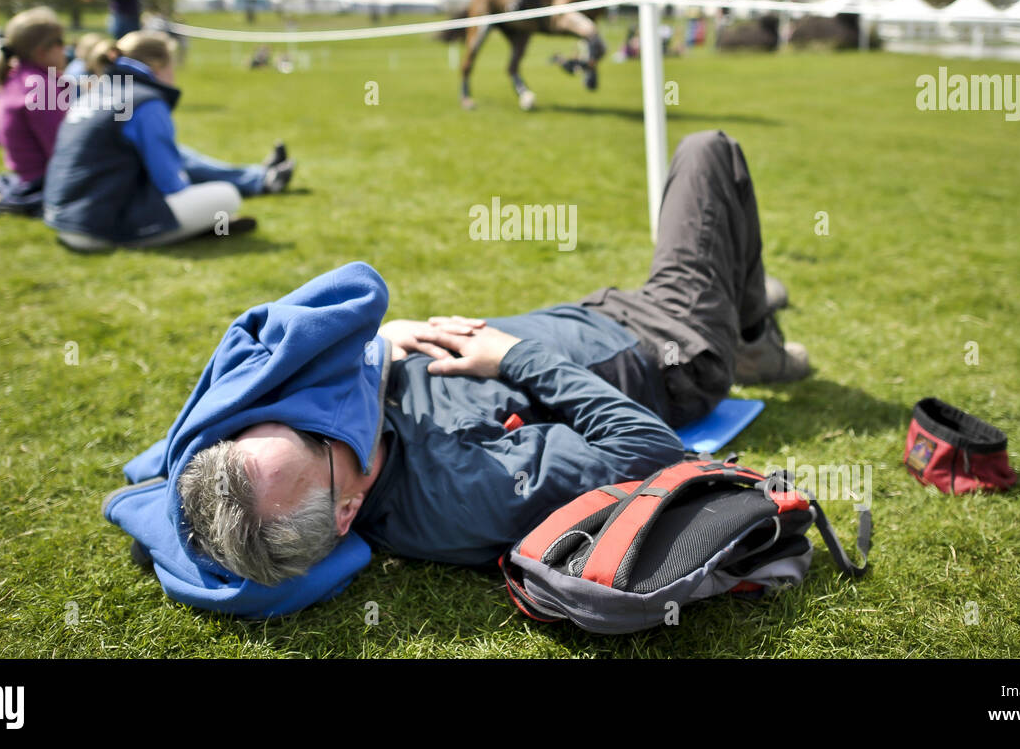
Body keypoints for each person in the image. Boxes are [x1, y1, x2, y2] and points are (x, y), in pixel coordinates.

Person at [167, 130, 809, 593]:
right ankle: (745, 332)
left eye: (294, 419)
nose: (321, 412)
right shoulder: (466, 492)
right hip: (668, 345)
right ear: (345, 515)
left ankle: (745, 311)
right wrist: (516, 356)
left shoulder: (341, 433)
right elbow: (652, 449)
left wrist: (387, 342)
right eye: (318, 440)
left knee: (711, 240)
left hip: (596, 315)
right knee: (707, 152)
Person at [43, 30, 296, 251]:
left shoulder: (99, 89)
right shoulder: (146, 100)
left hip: (60, 220)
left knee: (180, 156)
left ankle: (256, 180)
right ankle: (209, 223)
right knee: (226, 197)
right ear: (157, 66)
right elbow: (171, 184)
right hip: (98, 230)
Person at [0, 7, 69, 185]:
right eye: (60, 42)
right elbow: (62, 150)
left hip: (27, 177)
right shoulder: (39, 87)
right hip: (44, 181)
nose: (66, 47)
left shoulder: (18, 76)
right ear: (41, 51)